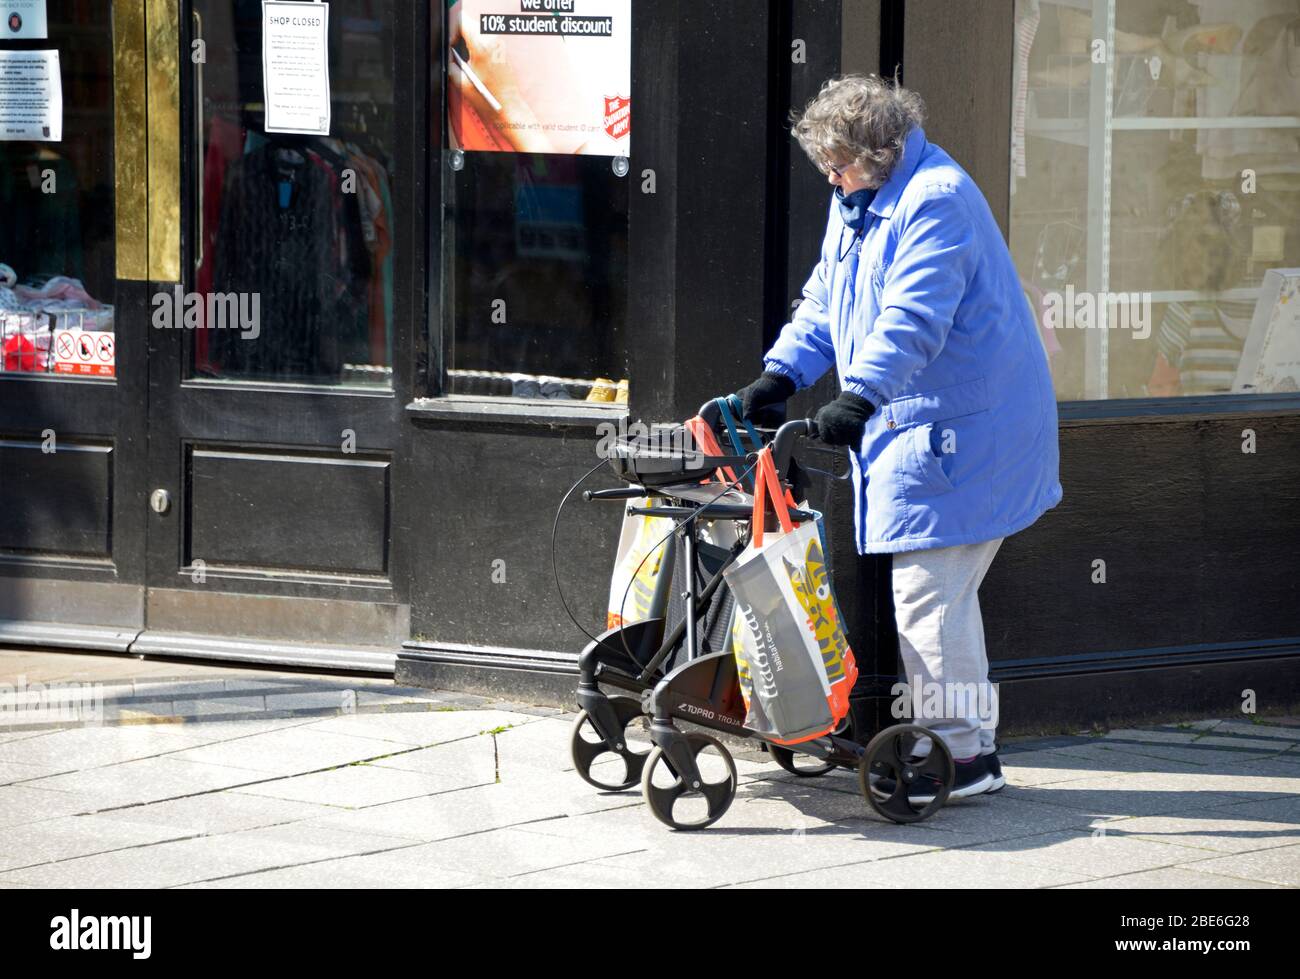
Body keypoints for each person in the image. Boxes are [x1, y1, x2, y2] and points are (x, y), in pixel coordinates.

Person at [736, 74, 1062, 801]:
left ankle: (957, 756)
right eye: (825, 164)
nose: (830, 175)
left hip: (970, 433)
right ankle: (973, 749)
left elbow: (914, 317)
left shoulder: (935, 200)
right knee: (943, 598)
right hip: (933, 431)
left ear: (880, 153)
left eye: (839, 163)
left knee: (927, 596)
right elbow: (827, 296)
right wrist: (781, 374)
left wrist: (858, 397)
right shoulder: (858, 198)